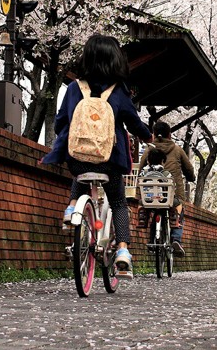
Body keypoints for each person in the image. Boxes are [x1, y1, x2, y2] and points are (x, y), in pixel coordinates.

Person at [42, 34, 152, 278]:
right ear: (115, 60)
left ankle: (72, 209)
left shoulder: (73, 89)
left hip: (78, 158)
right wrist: (148, 137)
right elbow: (134, 123)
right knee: (119, 202)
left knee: (80, 171)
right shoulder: (119, 92)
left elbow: (61, 122)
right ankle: (122, 251)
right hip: (109, 160)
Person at [139, 121, 195, 255]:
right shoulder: (177, 149)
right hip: (172, 194)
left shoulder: (149, 150)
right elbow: (189, 169)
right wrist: (191, 177)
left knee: (153, 211)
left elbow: (140, 168)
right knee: (178, 210)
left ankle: (152, 239)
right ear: (169, 135)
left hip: (150, 195)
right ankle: (176, 239)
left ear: (153, 134)